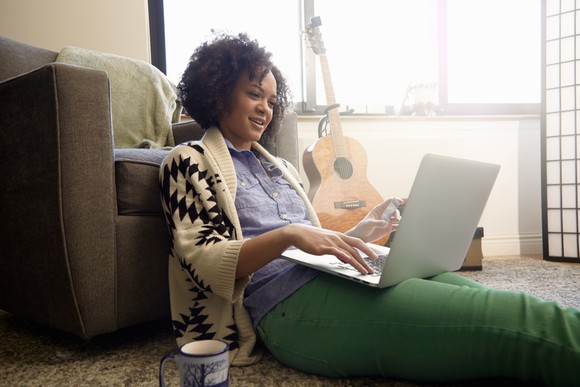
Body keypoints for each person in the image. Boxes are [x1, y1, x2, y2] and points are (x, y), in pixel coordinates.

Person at [159, 32, 580, 387]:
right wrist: (290, 235)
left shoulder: (280, 168)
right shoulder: (189, 160)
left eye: (270, 99)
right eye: (254, 94)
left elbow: (315, 243)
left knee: (488, 297)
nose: (266, 109)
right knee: (513, 321)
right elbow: (204, 262)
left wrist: (367, 226)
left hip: (332, 277)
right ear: (218, 93)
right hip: (286, 307)